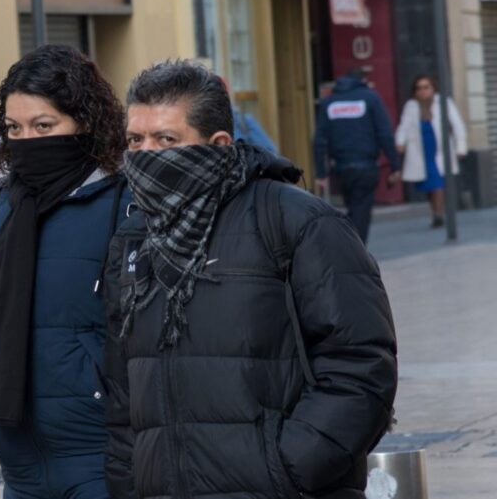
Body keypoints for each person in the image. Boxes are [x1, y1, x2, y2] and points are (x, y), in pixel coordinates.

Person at [103, 60, 398, 499]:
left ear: (218, 143)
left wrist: (287, 470)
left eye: (166, 139)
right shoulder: (134, 237)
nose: (146, 156)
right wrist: (129, 480)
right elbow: (122, 386)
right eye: (135, 140)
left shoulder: (296, 220)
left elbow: (360, 365)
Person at [0, 45, 130, 499]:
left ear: (86, 121)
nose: (27, 141)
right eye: (14, 128)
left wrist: (108, 403)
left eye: (44, 126)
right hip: (17, 460)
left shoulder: (125, 202)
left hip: (99, 457)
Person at [313, 68, 402, 243]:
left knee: (353, 207)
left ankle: (350, 247)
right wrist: (395, 165)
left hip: (342, 167)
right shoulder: (371, 98)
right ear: (361, 80)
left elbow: (319, 139)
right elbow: (384, 133)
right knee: (361, 210)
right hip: (366, 165)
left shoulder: (329, 102)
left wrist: (321, 172)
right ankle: (356, 250)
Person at [395, 74, 467, 228]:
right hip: (420, 150)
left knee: (437, 182)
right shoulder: (411, 106)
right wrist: (400, 142)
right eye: (419, 88)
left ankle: (438, 214)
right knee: (427, 185)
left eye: (426, 87)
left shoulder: (443, 103)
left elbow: (457, 125)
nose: (422, 91)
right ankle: (435, 211)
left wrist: (460, 147)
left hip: (439, 149)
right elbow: (404, 126)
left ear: (433, 88)